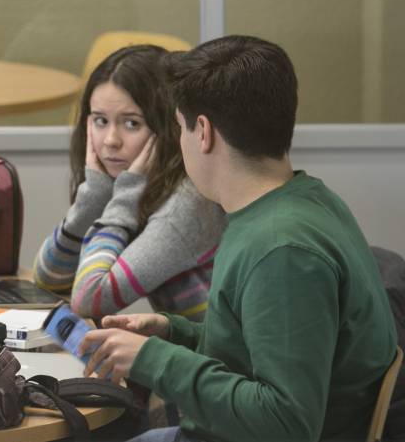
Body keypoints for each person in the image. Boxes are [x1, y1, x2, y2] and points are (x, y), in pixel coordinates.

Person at [81, 35, 398, 442]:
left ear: (203, 132)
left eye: (179, 127)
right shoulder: (300, 201)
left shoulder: (282, 252)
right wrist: (173, 332)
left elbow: (287, 423)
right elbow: (259, 349)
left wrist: (155, 360)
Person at [34, 45, 226, 321]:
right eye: (100, 121)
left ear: (168, 126)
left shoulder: (184, 205)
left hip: (216, 350)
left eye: (132, 124)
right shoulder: (138, 188)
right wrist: (93, 198)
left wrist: (123, 201)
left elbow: (88, 300)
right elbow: (48, 280)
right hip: (190, 346)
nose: (111, 140)